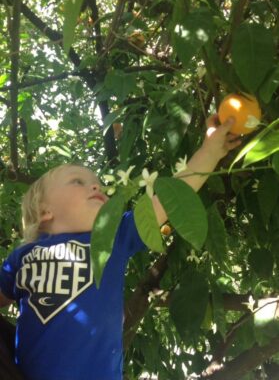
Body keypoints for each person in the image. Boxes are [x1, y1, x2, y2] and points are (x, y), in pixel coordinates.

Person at [0, 115, 240, 380]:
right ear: (44, 211)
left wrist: (211, 150)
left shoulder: (114, 236)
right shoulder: (22, 257)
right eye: (78, 181)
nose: (96, 185)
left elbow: (172, 197)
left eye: (98, 184)